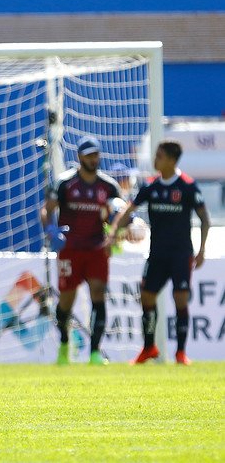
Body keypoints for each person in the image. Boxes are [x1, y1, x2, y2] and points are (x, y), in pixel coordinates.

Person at [107, 140, 210, 365]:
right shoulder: (151, 186)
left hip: (181, 254)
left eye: (160, 156)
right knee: (146, 297)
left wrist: (202, 250)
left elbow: (204, 219)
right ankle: (149, 347)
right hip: (157, 254)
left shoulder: (187, 186)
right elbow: (128, 211)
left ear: (172, 160)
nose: (155, 160)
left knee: (180, 298)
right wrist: (115, 231)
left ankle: (181, 353)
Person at [40, 136, 124, 366]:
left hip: (96, 248)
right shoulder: (65, 183)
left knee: (98, 293)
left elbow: (121, 215)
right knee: (66, 300)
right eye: (89, 155)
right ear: (79, 157)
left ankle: (95, 352)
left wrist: (116, 233)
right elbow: (46, 210)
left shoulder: (108, 186)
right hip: (70, 249)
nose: (93, 159)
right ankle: (65, 344)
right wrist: (51, 230)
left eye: (96, 154)